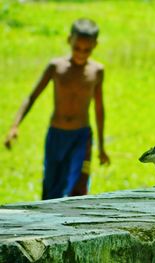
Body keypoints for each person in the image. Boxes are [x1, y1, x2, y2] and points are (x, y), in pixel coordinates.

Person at [4, 18, 110, 200]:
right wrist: (15, 126)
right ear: (69, 40)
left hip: (81, 137)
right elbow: (31, 97)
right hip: (56, 135)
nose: (81, 53)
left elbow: (99, 109)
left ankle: (76, 225)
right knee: (52, 188)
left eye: (87, 50)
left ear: (95, 45)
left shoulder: (97, 71)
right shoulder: (56, 67)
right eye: (77, 47)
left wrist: (100, 147)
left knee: (79, 188)